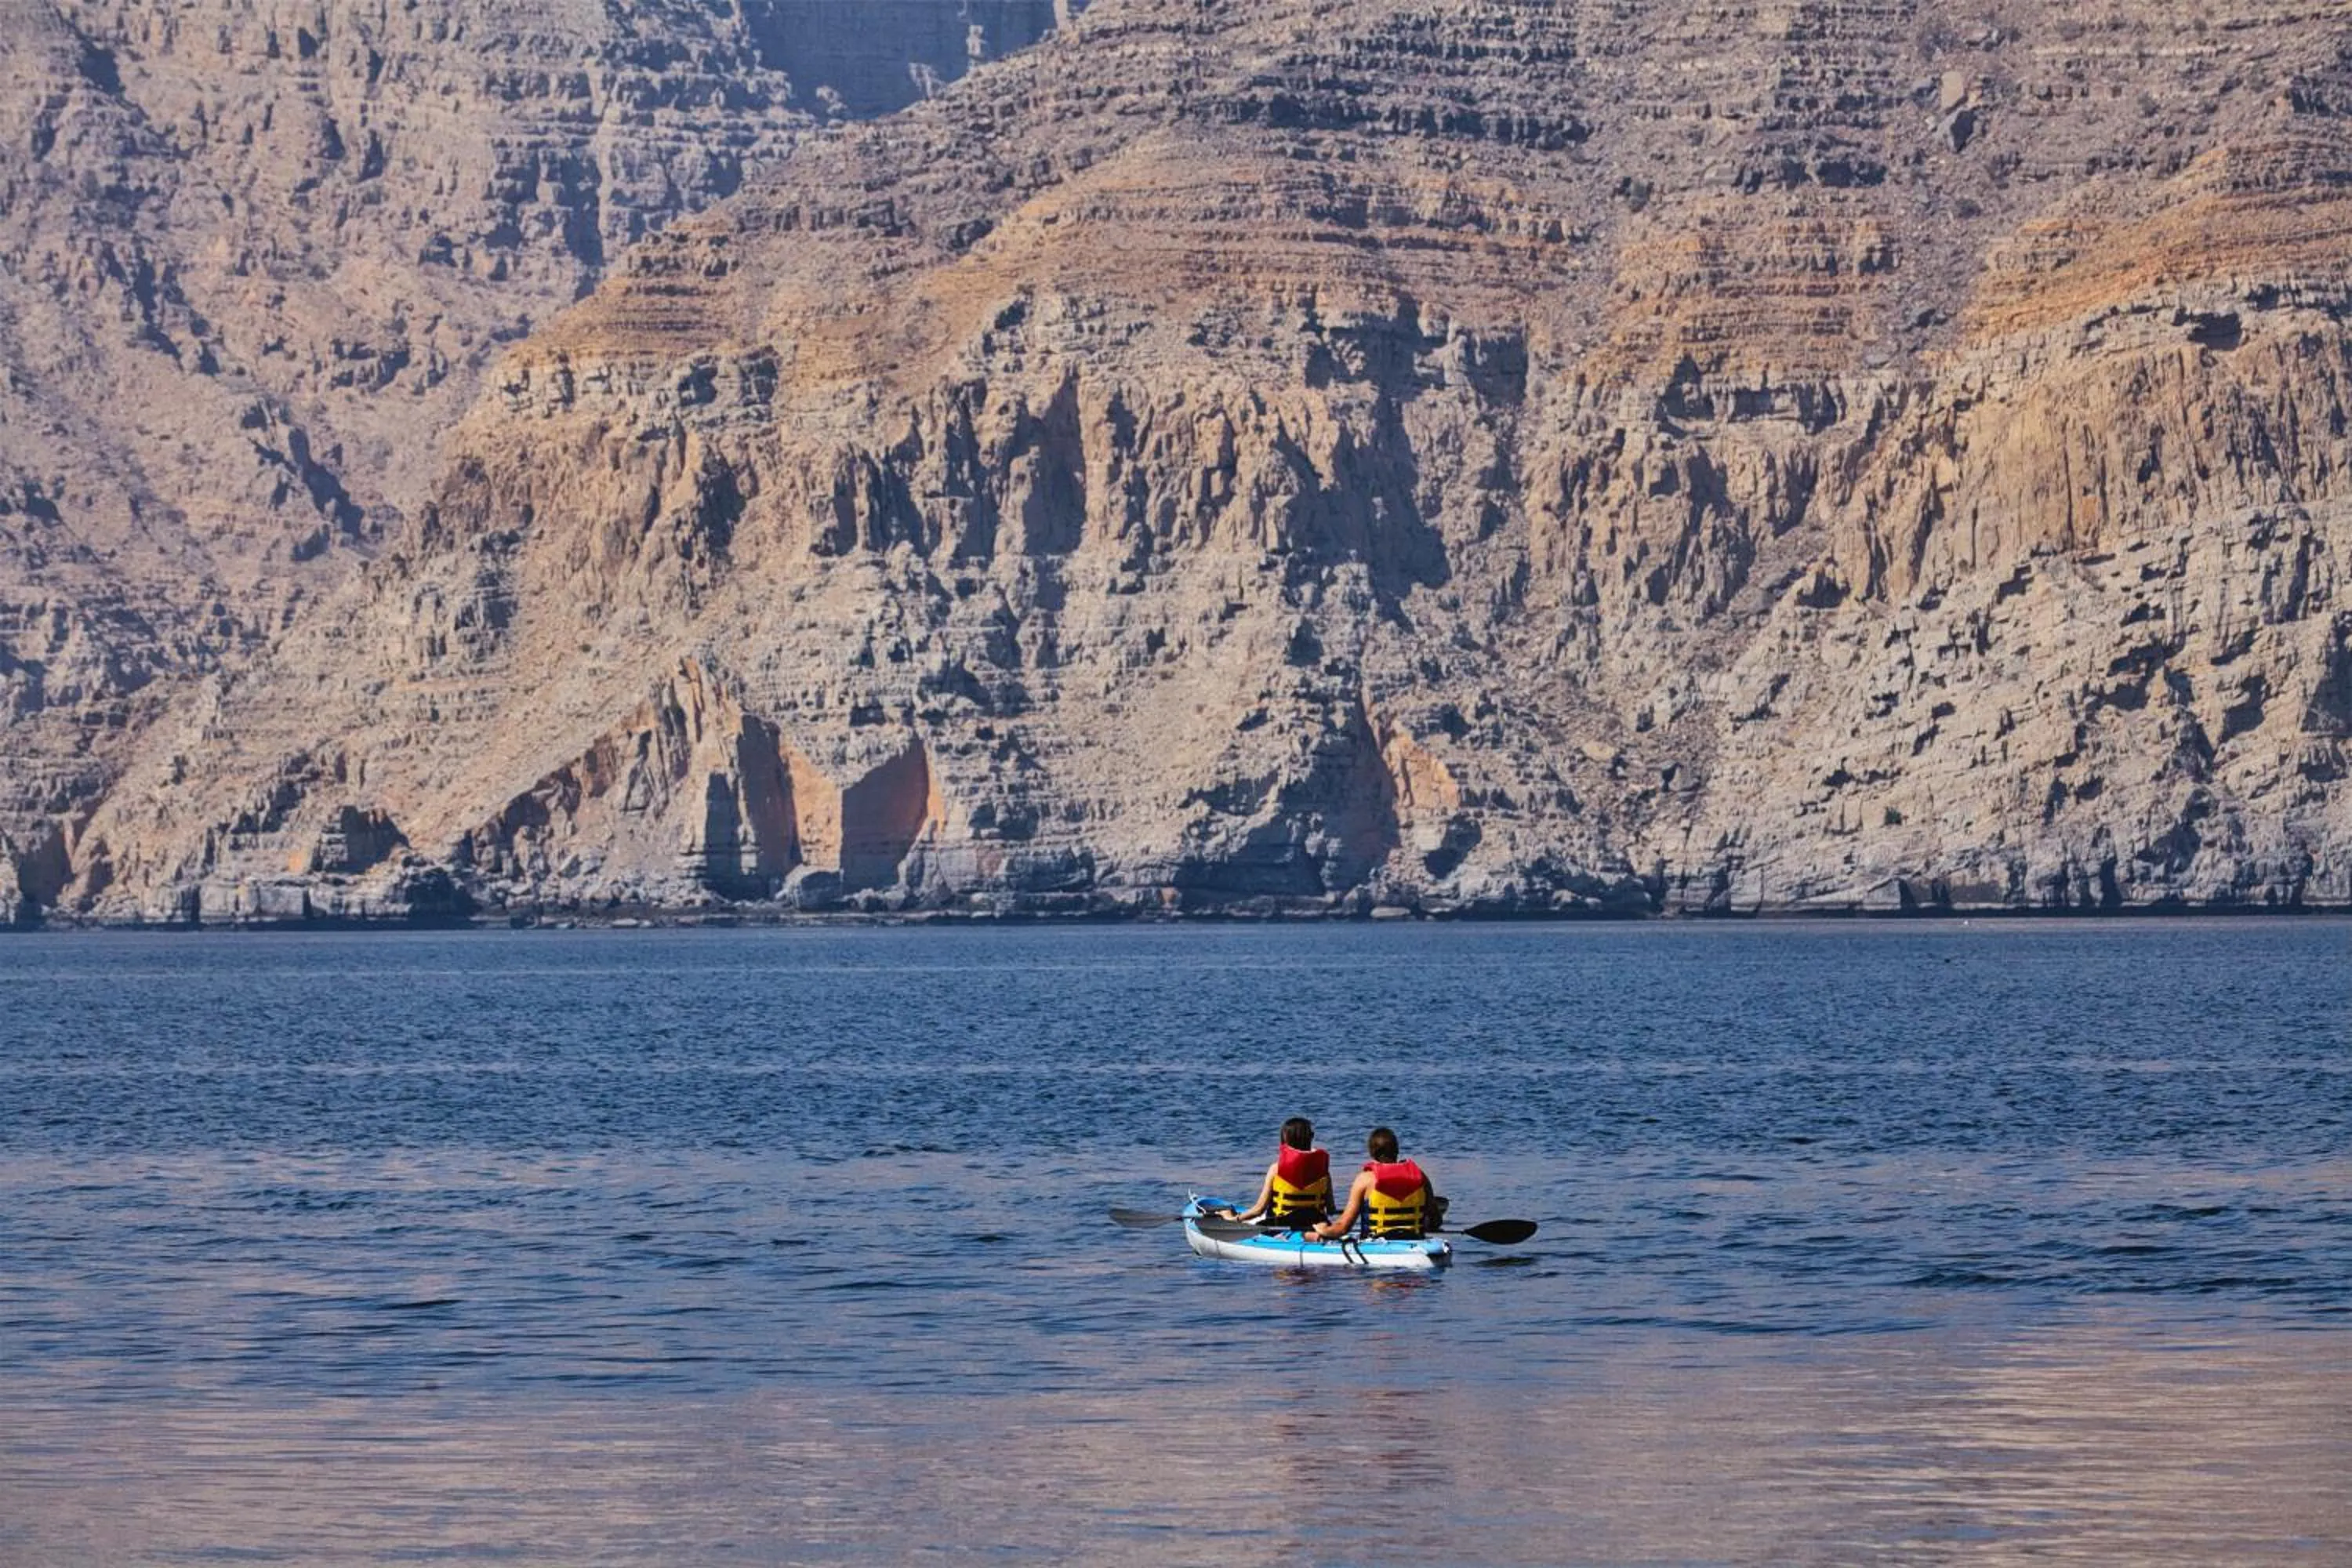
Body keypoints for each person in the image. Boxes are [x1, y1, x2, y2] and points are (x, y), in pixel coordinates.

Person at [1306, 1127, 1438, 1241]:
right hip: (1415, 1240)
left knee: (1308, 1236)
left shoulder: (1365, 1179)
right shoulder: (1420, 1175)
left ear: (1372, 1152)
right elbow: (1436, 1219)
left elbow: (1342, 1228)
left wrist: (1322, 1229)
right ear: (1396, 1150)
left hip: (1376, 1243)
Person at [1221, 1116, 1332, 1228]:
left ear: (1286, 1139)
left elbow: (1259, 1210)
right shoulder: (1323, 1171)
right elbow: (1331, 1209)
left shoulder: (1276, 1170)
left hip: (1280, 1225)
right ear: (1311, 1138)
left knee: (1235, 1215)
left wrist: (1233, 1219)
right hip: (1314, 1224)